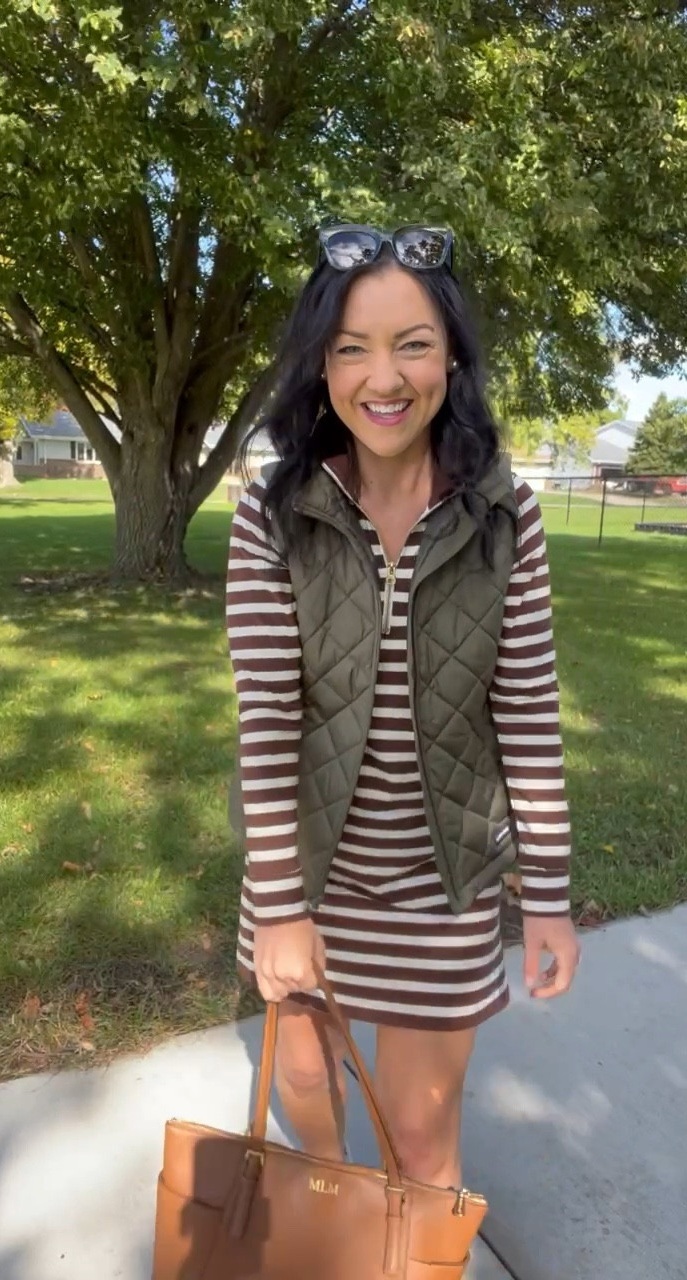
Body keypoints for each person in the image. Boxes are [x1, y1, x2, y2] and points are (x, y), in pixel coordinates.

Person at [226, 223, 580, 1194]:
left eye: (412, 342)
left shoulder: (508, 514)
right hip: (306, 869)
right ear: (321, 364)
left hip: (442, 885)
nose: (384, 376)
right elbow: (265, 717)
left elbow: (529, 709)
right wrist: (285, 906)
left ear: (453, 353)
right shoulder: (273, 510)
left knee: (422, 1156)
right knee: (317, 1142)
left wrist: (545, 892)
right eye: (351, 347)